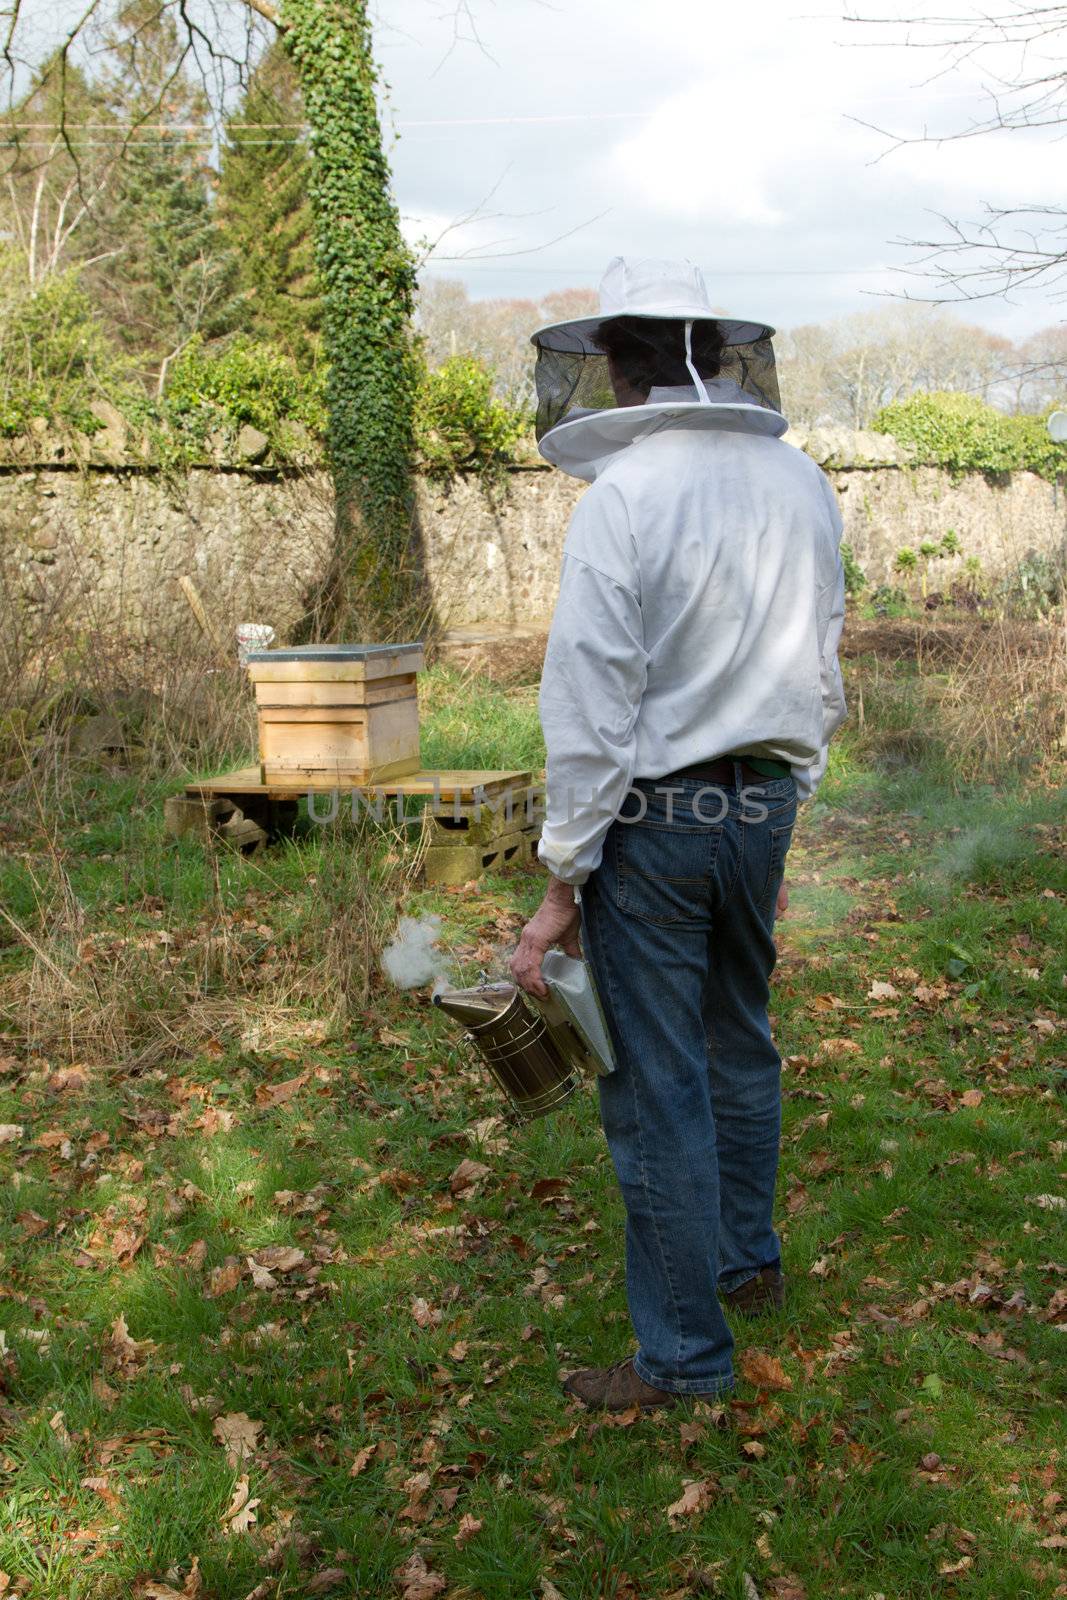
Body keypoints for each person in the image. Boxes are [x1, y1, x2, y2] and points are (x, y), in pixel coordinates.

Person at [509, 257, 847, 1411]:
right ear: (715, 348)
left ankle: (683, 1360)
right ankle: (743, 1262)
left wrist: (562, 880)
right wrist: (779, 811)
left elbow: (591, 704)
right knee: (737, 1040)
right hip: (761, 803)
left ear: (612, 365)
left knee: (656, 1080)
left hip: (653, 825)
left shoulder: (625, 498)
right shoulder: (800, 481)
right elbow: (821, 665)